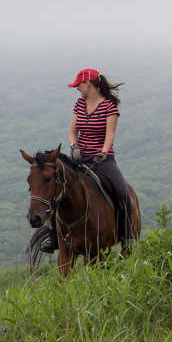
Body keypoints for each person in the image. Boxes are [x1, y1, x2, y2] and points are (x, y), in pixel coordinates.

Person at [67, 68, 133, 246]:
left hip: (102, 159)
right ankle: (53, 236)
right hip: (80, 157)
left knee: (123, 194)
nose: (77, 89)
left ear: (88, 84)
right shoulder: (80, 104)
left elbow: (109, 135)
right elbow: (73, 131)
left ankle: (127, 237)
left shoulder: (109, 106)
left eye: (78, 85)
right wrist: (74, 147)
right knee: (56, 185)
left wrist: (103, 153)